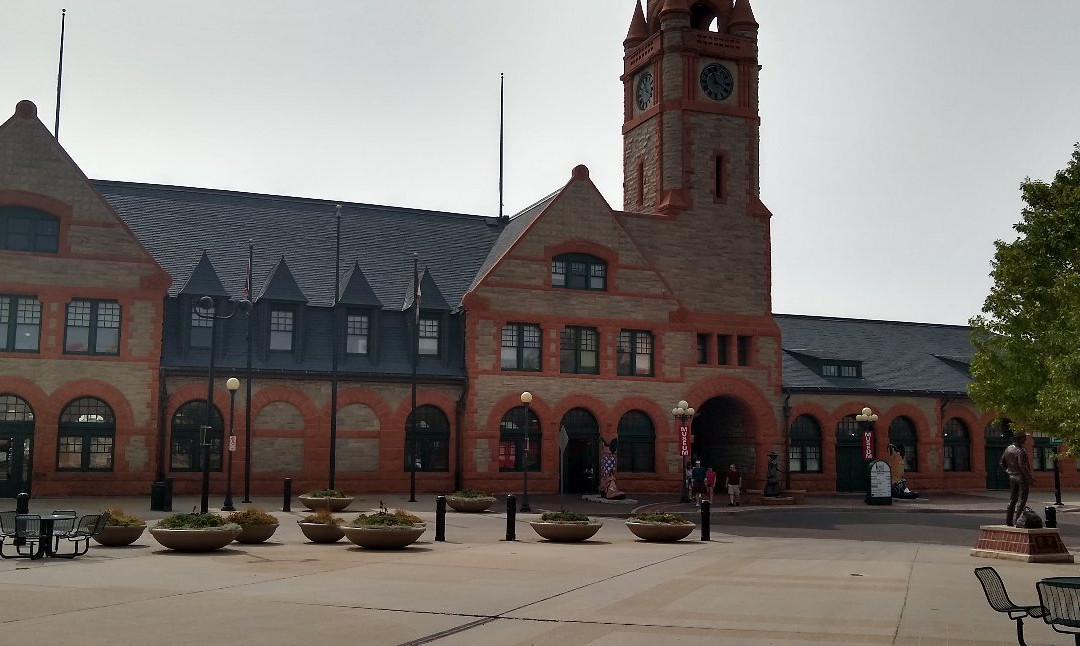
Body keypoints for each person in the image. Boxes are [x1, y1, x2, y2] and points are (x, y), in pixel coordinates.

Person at [1000, 433, 1036, 527]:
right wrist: (1030, 478)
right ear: (1019, 439)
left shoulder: (1008, 449)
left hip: (1012, 477)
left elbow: (1002, 463)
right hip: (1021, 478)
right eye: (1024, 437)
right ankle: (1018, 522)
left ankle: (1008, 521)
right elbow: (1023, 466)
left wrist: (1009, 471)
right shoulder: (1021, 451)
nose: (1025, 439)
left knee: (1012, 500)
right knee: (1022, 500)